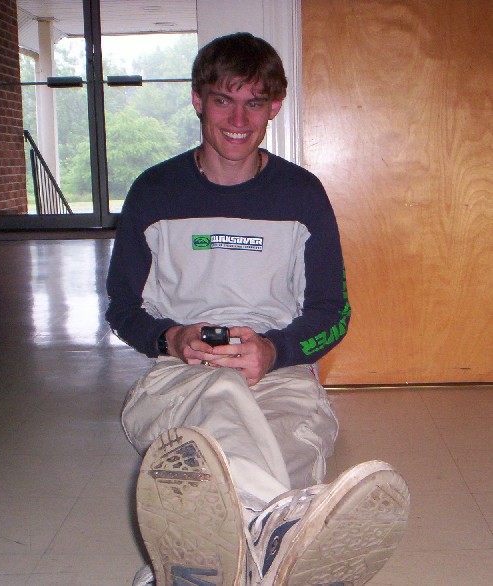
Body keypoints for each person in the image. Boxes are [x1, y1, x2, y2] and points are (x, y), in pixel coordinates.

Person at [106, 32, 409, 586]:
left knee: (291, 439)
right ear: (198, 100)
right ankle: (278, 540)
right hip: (180, 376)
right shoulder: (154, 191)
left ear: (274, 107)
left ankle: (197, 567)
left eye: (255, 102)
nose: (238, 118)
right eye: (224, 99)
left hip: (280, 374)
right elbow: (121, 306)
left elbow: (333, 312)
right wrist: (171, 338)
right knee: (222, 400)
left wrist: (275, 350)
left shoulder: (302, 194)